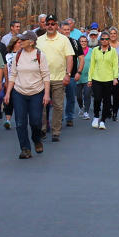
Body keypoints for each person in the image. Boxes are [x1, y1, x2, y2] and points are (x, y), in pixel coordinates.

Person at [4, 31, 50, 159]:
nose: (20, 42)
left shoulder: (40, 55)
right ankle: (25, 148)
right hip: (19, 92)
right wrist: (8, 93)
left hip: (36, 92)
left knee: (35, 121)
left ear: (31, 42)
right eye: (20, 40)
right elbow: (13, 75)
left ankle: (36, 139)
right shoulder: (17, 55)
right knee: (20, 122)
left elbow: (46, 75)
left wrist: (46, 94)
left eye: (23, 40)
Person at [35, 13, 74, 142]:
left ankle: (56, 131)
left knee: (58, 105)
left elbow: (69, 57)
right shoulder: (39, 40)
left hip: (59, 77)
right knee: (42, 105)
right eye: (48, 24)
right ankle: (43, 129)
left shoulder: (64, 39)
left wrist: (68, 74)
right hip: (42, 78)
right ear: (44, 25)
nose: (50, 26)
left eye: (53, 24)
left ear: (57, 25)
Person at [88, 32, 118, 130]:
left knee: (107, 101)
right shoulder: (95, 50)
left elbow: (115, 65)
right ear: (100, 40)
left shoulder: (113, 51)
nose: (104, 41)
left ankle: (103, 120)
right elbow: (92, 65)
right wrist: (89, 79)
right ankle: (96, 116)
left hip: (108, 79)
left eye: (106, 39)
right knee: (97, 99)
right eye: (102, 39)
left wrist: (115, 78)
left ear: (109, 40)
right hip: (96, 78)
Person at [60, 18, 83, 127]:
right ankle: (58, 117)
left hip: (72, 75)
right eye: (64, 29)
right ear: (60, 30)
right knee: (57, 99)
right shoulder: (56, 43)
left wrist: (79, 72)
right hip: (58, 75)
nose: (67, 31)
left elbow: (81, 58)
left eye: (68, 29)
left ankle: (69, 117)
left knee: (70, 98)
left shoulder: (75, 42)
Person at [3, 35, 20, 130]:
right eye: (18, 42)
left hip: (20, 82)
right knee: (8, 101)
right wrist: (5, 80)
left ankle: (19, 121)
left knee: (18, 101)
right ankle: (8, 120)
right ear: (14, 44)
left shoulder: (23, 54)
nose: (20, 44)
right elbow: (5, 68)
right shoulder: (7, 55)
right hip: (9, 80)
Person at [76, 34, 92, 119]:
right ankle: (81, 107)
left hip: (88, 77)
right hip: (78, 77)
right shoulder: (75, 51)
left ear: (87, 42)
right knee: (78, 96)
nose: (83, 43)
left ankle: (86, 112)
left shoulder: (91, 51)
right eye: (81, 41)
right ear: (79, 42)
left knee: (87, 94)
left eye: (85, 41)